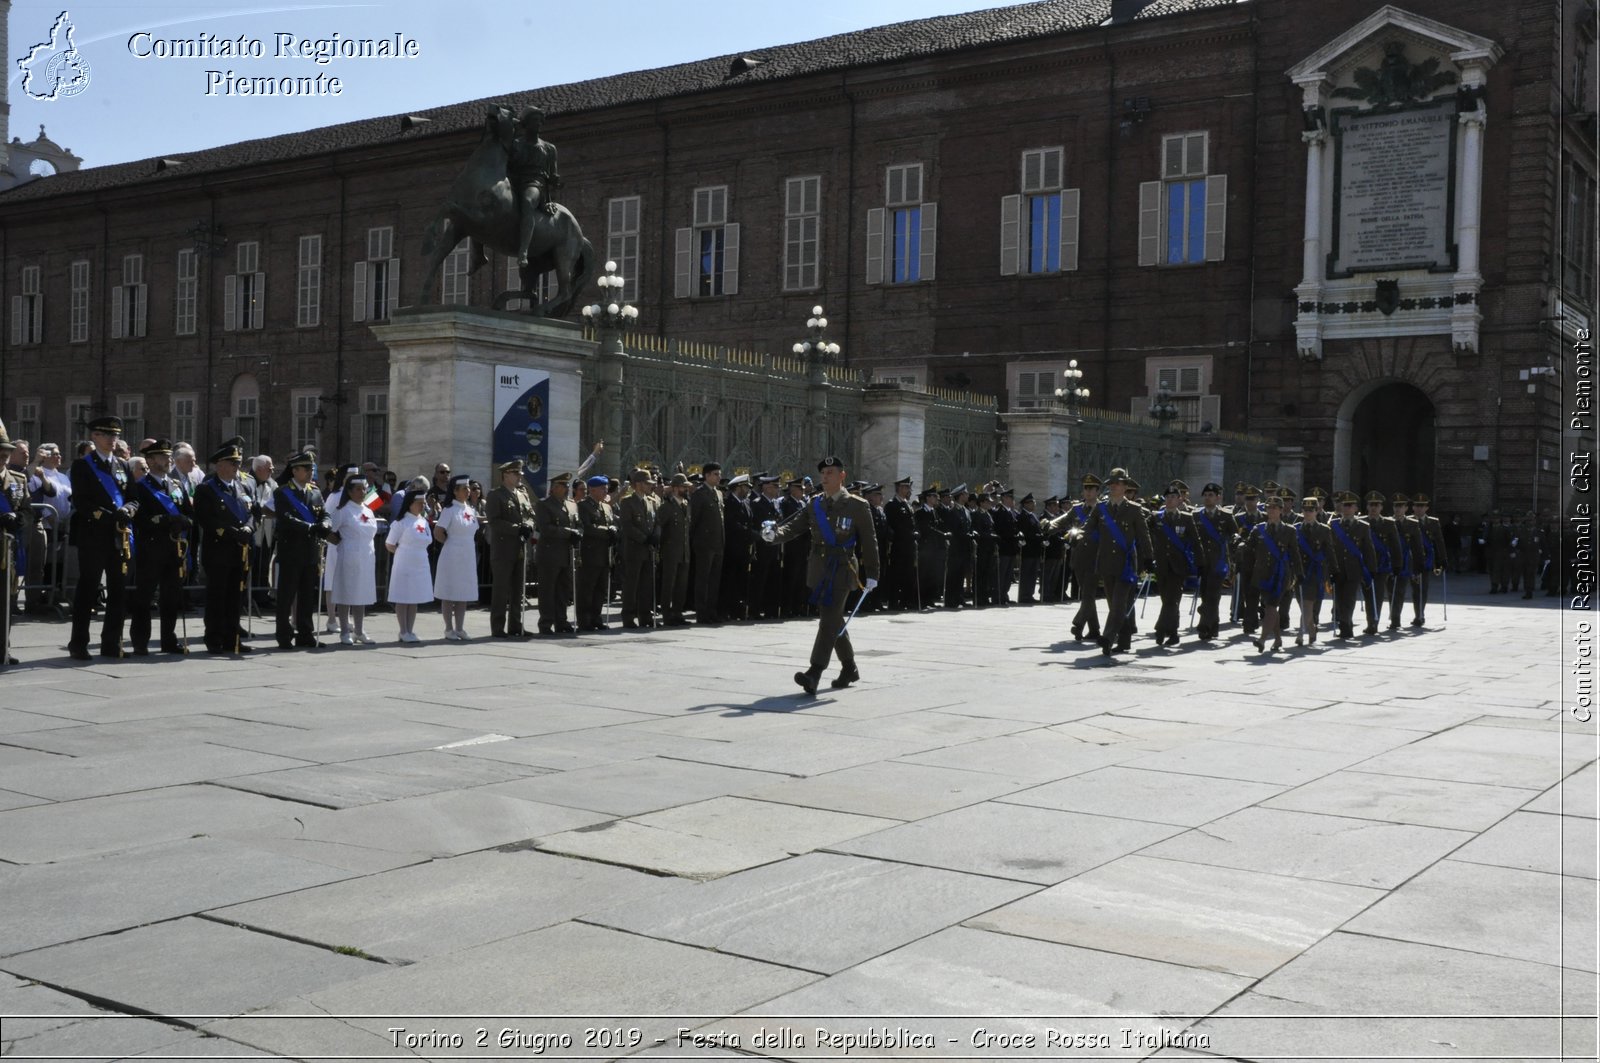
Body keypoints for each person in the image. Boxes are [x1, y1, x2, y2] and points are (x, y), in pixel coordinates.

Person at [762, 456, 880, 694]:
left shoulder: (857, 505)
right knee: (834, 619)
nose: (825, 477)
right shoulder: (815, 503)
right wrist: (775, 535)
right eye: (823, 474)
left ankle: (814, 672)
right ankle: (849, 667)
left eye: (830, 473)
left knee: (828, 619)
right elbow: (794, 526)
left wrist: (873, 573)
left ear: (842, 476)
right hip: (819, 569)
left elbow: (870, 540)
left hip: (843, 569)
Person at [68, 416, 137, 660]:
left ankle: (112, 643)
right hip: (94, 535)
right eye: (106, 435)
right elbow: (82, 502)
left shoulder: (123, 465)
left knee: (118, 591)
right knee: (88, 589)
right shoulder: (83, 466)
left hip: (119, 538)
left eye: (115, 435)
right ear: (94, 436)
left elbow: (133, 497)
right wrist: (110, 516)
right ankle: (79, 643)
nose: (112, 439)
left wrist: (128, 510)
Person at [127, 439, 194, 656]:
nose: (167, 461)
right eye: (162, 457)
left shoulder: (176, 485)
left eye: (168, 457)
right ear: (150, 460)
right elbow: (140, 519)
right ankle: (140, 640)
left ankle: (168, 639)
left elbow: (188, 513)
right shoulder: (140, 487)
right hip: (152, 547)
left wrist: (185, 521)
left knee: (171, 597)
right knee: (144, 596)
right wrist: (164, 520)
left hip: (174, 549)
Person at [193, 439, 255, 655]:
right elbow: (205, 519)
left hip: (240, 551)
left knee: (235, 597)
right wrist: (231, 532)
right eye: (233, 464)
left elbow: (250, 514)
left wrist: (248, 528)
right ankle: (214, 638)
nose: (238, 468)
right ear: (220, 465)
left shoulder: (243, 486)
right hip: (219, 550)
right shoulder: (206, 489)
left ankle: (233, 639)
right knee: (217, 597)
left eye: (238, 464)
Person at [1085, 468, 1153, 658]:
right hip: (1106, 562)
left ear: (1125, 487)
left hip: (1126, 564)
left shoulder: (1134, 509)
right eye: (1111, 484)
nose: (1114, 487)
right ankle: (1124, 640)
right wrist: (1078, 537)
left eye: (1118, 484)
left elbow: (1143, 535)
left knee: (1118, 602)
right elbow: (1088, 527)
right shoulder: (1101, 508)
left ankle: (1107, 637)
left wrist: (1148, 558)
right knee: (1115, 603)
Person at [272, 449, 329, 649]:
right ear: (296, 471)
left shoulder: (314, 492)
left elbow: (324, 513)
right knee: (286, 596)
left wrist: (326, 524)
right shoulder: (282, 492)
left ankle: (306, 633)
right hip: (291, 551)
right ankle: (284, 634)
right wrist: (310, 527)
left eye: (311, 469)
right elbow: (286, 518)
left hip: (310, 551)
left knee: (307, 595)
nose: (311, 472)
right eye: (307, 469)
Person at [483, 460, 536, 638]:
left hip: (520, 548)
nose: (520, 476)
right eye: (516, 474)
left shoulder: (522, 494)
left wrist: (528, 525)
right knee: (501, 589)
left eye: (520, 474)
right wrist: (516, 528)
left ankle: (516, 625)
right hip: (503, 549)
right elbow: (494, 521)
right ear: (506, 475)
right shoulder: (495, 495)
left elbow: (530, 515)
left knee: (518, 589)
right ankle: (498, 627)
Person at [328, 469, 381, 645]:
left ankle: (359, 630)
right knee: (346, 594)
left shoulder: (368, 510)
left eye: (364, 489)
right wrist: (341, 543)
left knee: (361, 594)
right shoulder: (343, 510)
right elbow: (329, 532)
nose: (362, 492)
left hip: (366, 556)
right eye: (358, 489)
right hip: (349, 555)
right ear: (349, 491)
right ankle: (344, 631)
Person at [507, 105, 563, 268]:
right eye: (534, 121)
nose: (538, 124)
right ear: (525, 123)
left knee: (527, 201)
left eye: (540, 121)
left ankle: (523, 250)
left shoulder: (549, 148)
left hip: (534, 183)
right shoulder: (515, 145)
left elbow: (553, 174)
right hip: (514, 181)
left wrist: (555, 180)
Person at [1250, 495, 1303, 654]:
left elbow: (1295, 553)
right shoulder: (1258, 529)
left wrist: (1299, 573)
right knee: (1269, 608)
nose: (1271, 510)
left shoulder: (1289, 530)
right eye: (1268, 507)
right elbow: (1249, 548)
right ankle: (1278, 639)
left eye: (1275, 508)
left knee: (1272, 606)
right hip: (1262, 574)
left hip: (1281, 573)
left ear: (1281, 510)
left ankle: (1262, 639)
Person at [1149, 485, 1198, 647]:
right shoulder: (1156, 517)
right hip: (1161, 565)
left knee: (1171, 599)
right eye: (1167, 497)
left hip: (1179, 566)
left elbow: (1196, 541)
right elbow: (1146, 536)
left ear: (1179, 500)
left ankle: (1160, 629)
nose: (1169, 500)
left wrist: (1201, 563)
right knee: (1168, 600)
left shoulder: (1186, 518)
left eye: (1173, 497)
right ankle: (1173, 633)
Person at [534, 471, 582, 635]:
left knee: (563, 590)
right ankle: (546, 623)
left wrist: (578, 533)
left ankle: (561, 621)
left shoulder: (571, 505)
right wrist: (569, 532)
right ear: (554, 488)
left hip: (566, 554)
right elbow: (546, 528)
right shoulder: (544, 504)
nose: (567, 489)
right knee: (547, 590)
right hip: (549, 554)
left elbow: (579, 524)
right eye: (563, 486)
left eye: (568, 486)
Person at [433, 474, 480, 640]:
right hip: (452, 555)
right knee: (449, 592)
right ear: (455, 491)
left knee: (463, 592)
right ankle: (448, 628)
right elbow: (438, 532)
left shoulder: (470, 509)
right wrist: (451, 544)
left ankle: (460, 628)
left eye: (469, 488)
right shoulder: (449, 510)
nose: (468, 491)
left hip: (467, 554)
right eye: (465, 488)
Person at [1328, 491, 1378, 639]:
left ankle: (1345, 625)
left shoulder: (1363, 526)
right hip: (1337, 569)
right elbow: (1329, 549)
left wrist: (1372, 569)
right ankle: (1344, 622)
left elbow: (1368, 549)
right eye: (1344, 505)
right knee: (1338, 599)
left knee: (1349, 598)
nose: (1347, 508)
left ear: (1356, 508)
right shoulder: (1333, 525)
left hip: (1354, 569)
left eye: (1350, 505)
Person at [386, 487, 434, 642]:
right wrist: (403, 554)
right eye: (419, 503)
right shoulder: (401, 522)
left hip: (421, 562)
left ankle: (410, 631)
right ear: (410, 504)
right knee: (403, 597)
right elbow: (390, 544)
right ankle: (403, 630)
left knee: (414, 598)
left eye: (424, 503)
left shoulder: (423, 521)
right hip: (405, 562)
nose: (422, 506)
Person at [0, 428, 30, 664]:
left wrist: (20, 519)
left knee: (6, 600)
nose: (3, 457)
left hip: (8, 548)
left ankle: (3, 648)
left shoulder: (18, 479)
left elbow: (27, 509)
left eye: (6, 453)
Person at [618, 469, 660, 630]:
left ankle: (645, 616)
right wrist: (644, 538)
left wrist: (656, 536)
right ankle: (628, 617)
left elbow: (657, 522)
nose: (650, 486)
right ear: (638, 484)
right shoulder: (627, 502)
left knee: (646, 585)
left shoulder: (652, 502)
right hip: (634, 549)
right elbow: (627, 525)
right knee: (631, 585)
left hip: (648, 550)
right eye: (647, 484)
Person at [576, 474, 618, 631]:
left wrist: (614, 530)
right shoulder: (583, 506)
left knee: (600, 588)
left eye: (606, 487)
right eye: (602, 488)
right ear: (592, 490)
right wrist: (608, 530)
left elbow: (612, 524)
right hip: (590, 553)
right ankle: (584, 620)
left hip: (604, 554)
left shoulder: (606, 507)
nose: (605, 490)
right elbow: (587, 527)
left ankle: (596, 617)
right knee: (587, 588)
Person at [688, 462, 725, 625]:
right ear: (707, 475)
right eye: (716, 474)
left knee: (714, 580)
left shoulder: (718, 493)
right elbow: (693, 521)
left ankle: (711, 611)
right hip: (704, 544)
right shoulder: (699, 494)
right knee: (703, 579)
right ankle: (702, 613)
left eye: (719, 474)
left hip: (717, 543)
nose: (719, 477)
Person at [1293, 497, 1333, 643]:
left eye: (1311, 510)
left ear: (1317, 511)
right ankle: (1311, 629)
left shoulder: (1323, 530)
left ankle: (1300, 633)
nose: (1308, 513)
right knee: (1302, 603)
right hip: (1299, 572)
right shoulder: (1295, 528)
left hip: (1315, 572)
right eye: (1305, 510)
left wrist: (1333, 572)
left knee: (1308, 603)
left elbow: (1329, 552)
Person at [657, 472, 692, 626]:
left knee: (681, 585)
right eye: (684, 487)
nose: (687, 490)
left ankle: (677, 613)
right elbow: (659, 528)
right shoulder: (667, 507)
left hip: (684, 552)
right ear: (676, 488)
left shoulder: (685, 505)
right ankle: (666, 615)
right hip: (670, 551)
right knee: (668, 585)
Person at [1364, 491, 1400, 635]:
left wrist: (1397, 565)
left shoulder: (1389, 524)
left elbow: (1395, 546)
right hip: (1365, 565)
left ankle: (1374, 623)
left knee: (1377, 594)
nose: (1373, 508)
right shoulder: (1361, 522)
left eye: (1376, 505)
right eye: (1371, 505)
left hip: (1381, 565)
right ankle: (1369, 621)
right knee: (1367, 594)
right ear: (1367, 506)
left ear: (1381, 507)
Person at [1409, 494, 1447, 626]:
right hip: (1411, 560)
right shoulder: (1408, 521)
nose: (1419, 509)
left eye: (1422, 506)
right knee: (1415, 589)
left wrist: (1443, 559)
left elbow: (1439, 541)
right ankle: (1414, 614)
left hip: (1426, 560)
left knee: (1422, 588)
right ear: (1413, 507)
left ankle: (1420, 614)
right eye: (1417, 506)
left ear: (1426, 508)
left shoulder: (1433, 522)